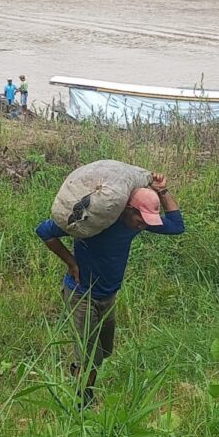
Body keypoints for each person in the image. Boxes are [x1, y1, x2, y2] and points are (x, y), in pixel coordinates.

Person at [36, 173, 184, 406]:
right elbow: (44, 231)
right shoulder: (95, 221)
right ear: (127, 209)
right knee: (90, 357)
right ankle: (83, 403)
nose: (142, 225)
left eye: (146, 221)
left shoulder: (136, 224)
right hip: (81, 294)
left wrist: (163, 192)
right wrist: (71, 262)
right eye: (140, 219)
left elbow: (177, 226)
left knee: (104, 352)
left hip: (108, 295)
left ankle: (77, 372)